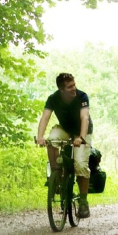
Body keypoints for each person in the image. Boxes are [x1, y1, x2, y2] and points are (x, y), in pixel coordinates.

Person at [35, 73, 94, 219]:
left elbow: (84, 118)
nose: (74, 88)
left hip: (82, 132)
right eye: (69, 87)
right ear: (61, 89)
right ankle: (56, 177)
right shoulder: (53, 98)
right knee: (52, 140)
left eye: (74, 84)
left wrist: (80, 137)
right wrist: (40, 136)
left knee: (80, 164)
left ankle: (83, 200)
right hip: (65, 129)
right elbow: (45, 117)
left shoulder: (82, 97)